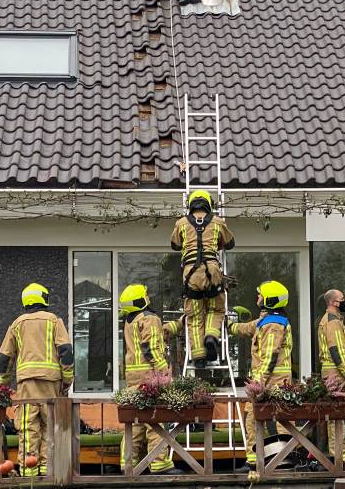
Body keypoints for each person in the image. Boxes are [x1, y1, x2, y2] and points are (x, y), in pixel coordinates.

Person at [0, 283, 74, 476]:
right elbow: (65, 351)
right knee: (49, 426)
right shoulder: (54, 321)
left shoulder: (16, 324)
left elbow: (5, 358)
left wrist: (3, 385)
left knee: (28, 426)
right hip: (51, 382)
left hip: (26, 384)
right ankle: (48, 469)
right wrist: (68, 378)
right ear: (44, 299)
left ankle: (28, 470)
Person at [117, 283, 183, 475]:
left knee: (135, 422)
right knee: (156, 419)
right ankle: (159, 462)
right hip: (150, 376)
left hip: (133, 377)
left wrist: (179, 323)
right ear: (141, 299)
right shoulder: (150, 318)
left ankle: (127, 463)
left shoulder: (131, 321)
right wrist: (165, 374)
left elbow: (157, 335)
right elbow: (152, 348)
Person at [228, 280, 293, 471]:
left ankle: (283, 460)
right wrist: (229, 326)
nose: (257, 297)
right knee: (254, 418)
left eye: (260, 295)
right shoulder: (268, 320)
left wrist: (259, 382)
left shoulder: (274, 324)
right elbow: (247, 328)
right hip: (268, 380)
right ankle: (257, 460)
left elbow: (270, 356)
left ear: (270, 300)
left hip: (274, 381)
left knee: (281, 420)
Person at [170, 189, 235, 369]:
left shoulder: (181, 223)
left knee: (194, 316)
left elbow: (175, 245)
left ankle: (198, 357)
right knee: (216, 309)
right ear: (208, 204)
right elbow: (230, 243)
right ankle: (212, 337)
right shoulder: (217, 222)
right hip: (212, 271)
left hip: (190, 273)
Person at [317, 289, 345, 467]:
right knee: (338, 416)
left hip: (335, 372)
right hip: (337, 374)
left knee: (342, 415)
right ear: (334, 302)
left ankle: (341, 456)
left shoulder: (334, 321)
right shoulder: (332, 322)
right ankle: (339, 458)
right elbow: (337, 352)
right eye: (342, 299)